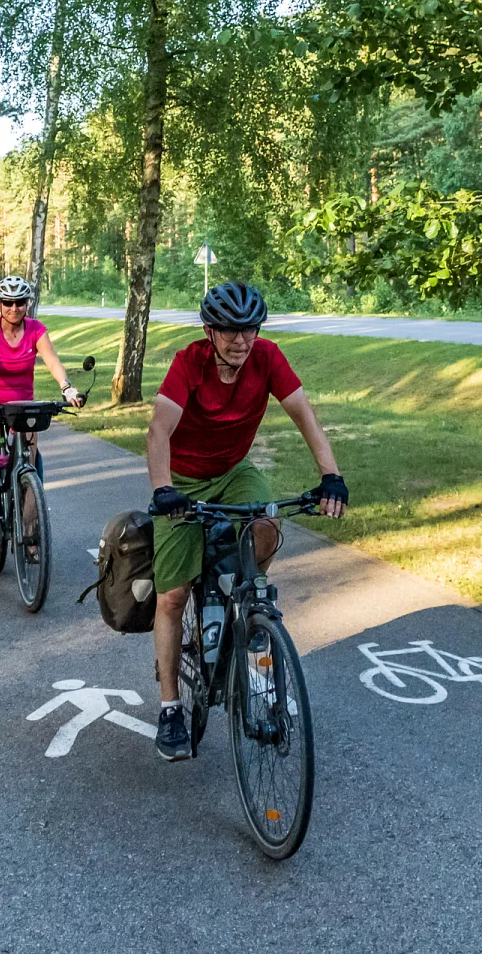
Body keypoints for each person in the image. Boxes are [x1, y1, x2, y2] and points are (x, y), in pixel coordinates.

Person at [145, 280, 348, 762]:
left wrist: (331, 475)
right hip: (185, 480)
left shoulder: (267, 359)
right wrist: (162, 490)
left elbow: (305, 415)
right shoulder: (187, 364)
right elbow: (158, 431)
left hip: (235, 471)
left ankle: (248, 601)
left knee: (266, 523)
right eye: (230, 331)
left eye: (250, 330)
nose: (242, 341)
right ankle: (171, 707)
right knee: (172, 595)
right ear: (210, 331)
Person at [0, 276, 85, 518]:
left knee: (30, 459)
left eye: (20, 302)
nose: (14, 308)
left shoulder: (36, 329)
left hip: (22, 402)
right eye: (8, 302)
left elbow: (52, 360)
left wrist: (67, 388)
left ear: (27, 303)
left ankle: (29, 530)